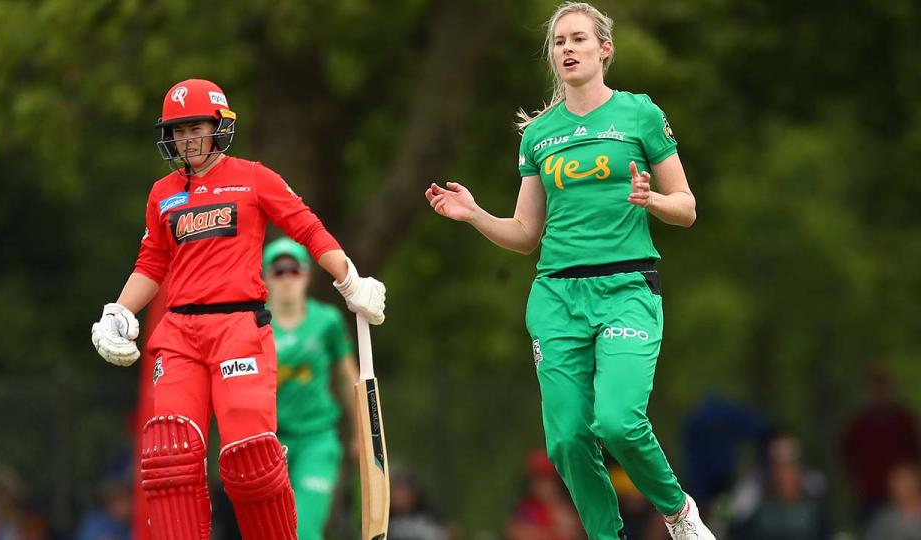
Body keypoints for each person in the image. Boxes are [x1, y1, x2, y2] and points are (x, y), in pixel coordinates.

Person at [425, 3, 712, 539]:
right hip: (556, 296)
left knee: (619, 421)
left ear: (604, 49)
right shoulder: (538, 134)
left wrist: (651, 200)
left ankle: (679, 515)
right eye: (559, 42)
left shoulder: (639, 114)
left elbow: (688, 207)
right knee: (566, 440)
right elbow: (525, 235)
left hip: (627, 287)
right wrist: (474, 215)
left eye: (579, 39)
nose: (568, 49)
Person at [89, 78, 386, 540]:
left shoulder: (254, 178)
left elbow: (306, 228)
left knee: (251, 456)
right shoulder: (162, 193)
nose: (186, 139)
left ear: (219, 127)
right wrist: (117, 312)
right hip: (179, 333)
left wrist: (349, 279)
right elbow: (151, 262)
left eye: (195, 128)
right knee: (170, 455)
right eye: (178, 130)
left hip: (238, 329)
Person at [261, 236, 359, 540]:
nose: (287, 278)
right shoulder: (252, 324)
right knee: (271, 533)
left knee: (304, 530)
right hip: (268, 444)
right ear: (265, 276)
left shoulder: (327, 321)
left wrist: (361, 434)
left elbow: (348, 377)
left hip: (318, 438)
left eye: (294, 269)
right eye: (279, 270)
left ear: (306, 273)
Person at [840, 367, 920, 526]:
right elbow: (845, 454)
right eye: (875, 387)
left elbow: (915, 454)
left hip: (901, 497)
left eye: (883, 386)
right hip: (869, 496)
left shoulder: (904, 421)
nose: (880, 392)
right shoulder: (858, 424)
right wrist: (854, 482)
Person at [505, 449, 584, 540]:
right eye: (540, 481)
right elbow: (515, 532)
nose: (546, 486)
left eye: (549, 480)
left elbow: (574, 531)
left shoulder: (566, 504)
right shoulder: (525, 510)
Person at [865, 462, 921, 540]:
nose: (898, 489)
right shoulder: (884, 517)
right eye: (893, 484)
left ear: (915, 483)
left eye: (904, 482)